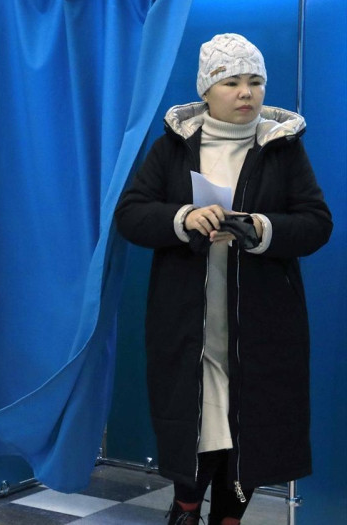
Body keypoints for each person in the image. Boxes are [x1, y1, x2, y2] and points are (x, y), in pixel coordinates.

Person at [115, 33, 332, 525]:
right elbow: (131, 216)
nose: (245, 93)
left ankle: (228, 518)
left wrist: (262, 229)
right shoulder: (172, 148)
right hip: (187, 320)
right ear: (206, 90)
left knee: (250, 425)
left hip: (262, 324)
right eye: (231, 81)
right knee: (196, 421)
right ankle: (186, 509)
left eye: (255, 81)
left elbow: (317, 222)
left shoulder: (283, 150)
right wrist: (184, 218)